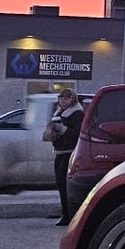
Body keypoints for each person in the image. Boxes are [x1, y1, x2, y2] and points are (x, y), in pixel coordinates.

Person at [45, 87, 87, 226]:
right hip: (59, 152)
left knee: (66, 186)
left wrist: (62, 130)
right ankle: (65, 214)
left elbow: (77, 134)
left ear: (72, 99)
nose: (63, 100)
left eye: (66, 98)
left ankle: (69, 215)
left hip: (69, 153)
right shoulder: (59, 112)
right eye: (61, 97)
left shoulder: (77, 114)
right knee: (61, 185)